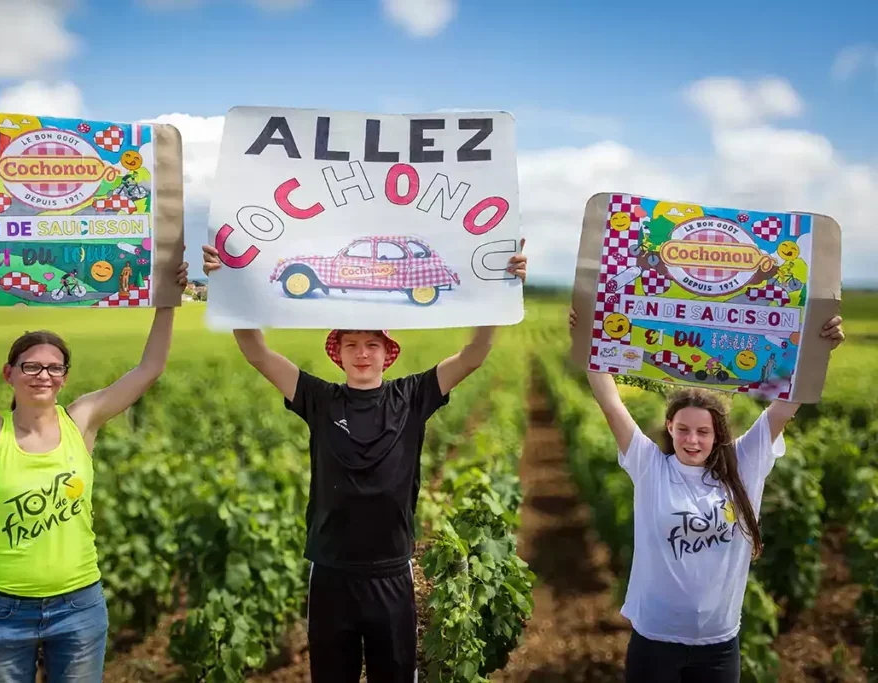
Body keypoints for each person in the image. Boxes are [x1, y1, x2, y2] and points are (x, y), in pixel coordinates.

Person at [201, 241, 527, 682]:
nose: (361, 353)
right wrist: (228, 284)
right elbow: (257, 352)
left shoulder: (412, 396)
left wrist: (502, 289)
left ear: (386, 352)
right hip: (331, 570)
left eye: (372, 344)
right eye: (351, 344)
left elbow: (474, 354)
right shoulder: (318, 398)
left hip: (391, 570)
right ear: (338, 352)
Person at [0, 260, 189, 683]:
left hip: (79, 607)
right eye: (31, 366)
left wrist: (168, 302)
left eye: (54, 367)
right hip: (6, 612)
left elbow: (148, 368)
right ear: (10, 374)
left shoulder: (82, 421)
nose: (43, 375)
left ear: (64, 378)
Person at [568, 307, 845, 683]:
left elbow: (788, 402)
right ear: (670, 426)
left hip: (719, 645)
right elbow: (610, 402)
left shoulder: (744, 466)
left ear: (717, 435)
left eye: (703, 432)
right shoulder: (651, 467)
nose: (692, 440)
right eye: (683, 429)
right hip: (655, 641)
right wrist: (588, 338)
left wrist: (820, 345)